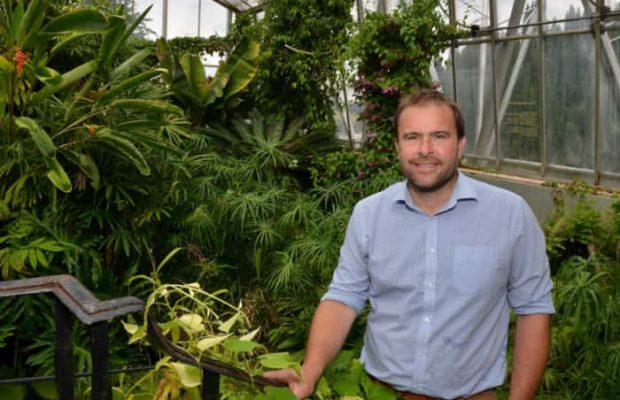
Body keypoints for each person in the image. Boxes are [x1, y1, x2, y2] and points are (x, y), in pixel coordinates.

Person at [264, 88, 555, 400]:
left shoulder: (509, 215)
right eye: (412, 137)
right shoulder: (369, 214)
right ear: (397, 146)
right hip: (379, 393)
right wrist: (309, 371)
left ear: (460, 144)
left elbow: (534, 310)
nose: (425, 149)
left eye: (439, 136)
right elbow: (343, 298)